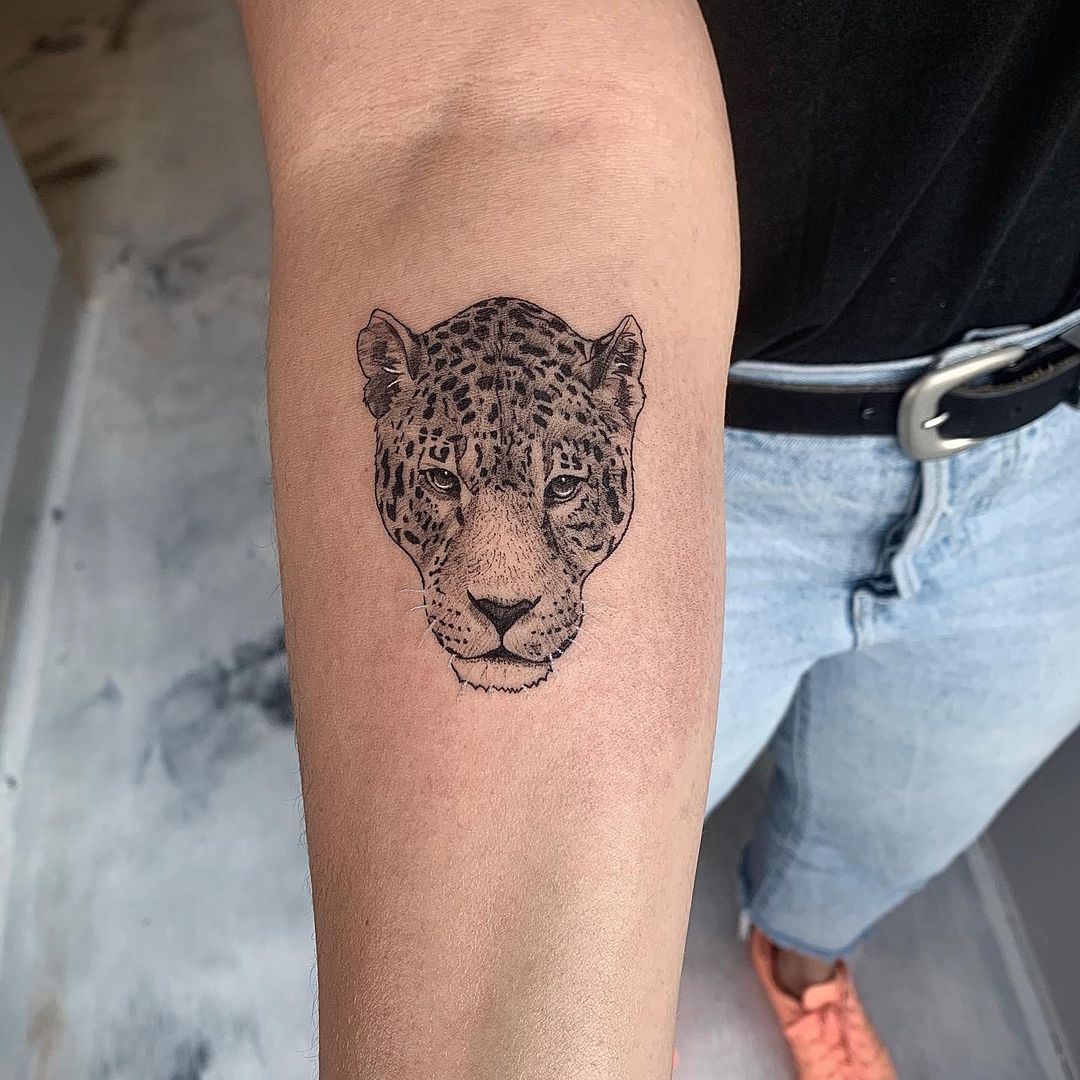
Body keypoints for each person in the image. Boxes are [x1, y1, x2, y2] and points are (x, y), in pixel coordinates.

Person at [238, 0, 1080, 1076]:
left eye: (564, 490)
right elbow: (481, 108)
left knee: (894, 824)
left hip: (1058, 452)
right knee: (580, 911)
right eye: (442, 481)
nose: (502, 579)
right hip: (728, 442)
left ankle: (805, 958)